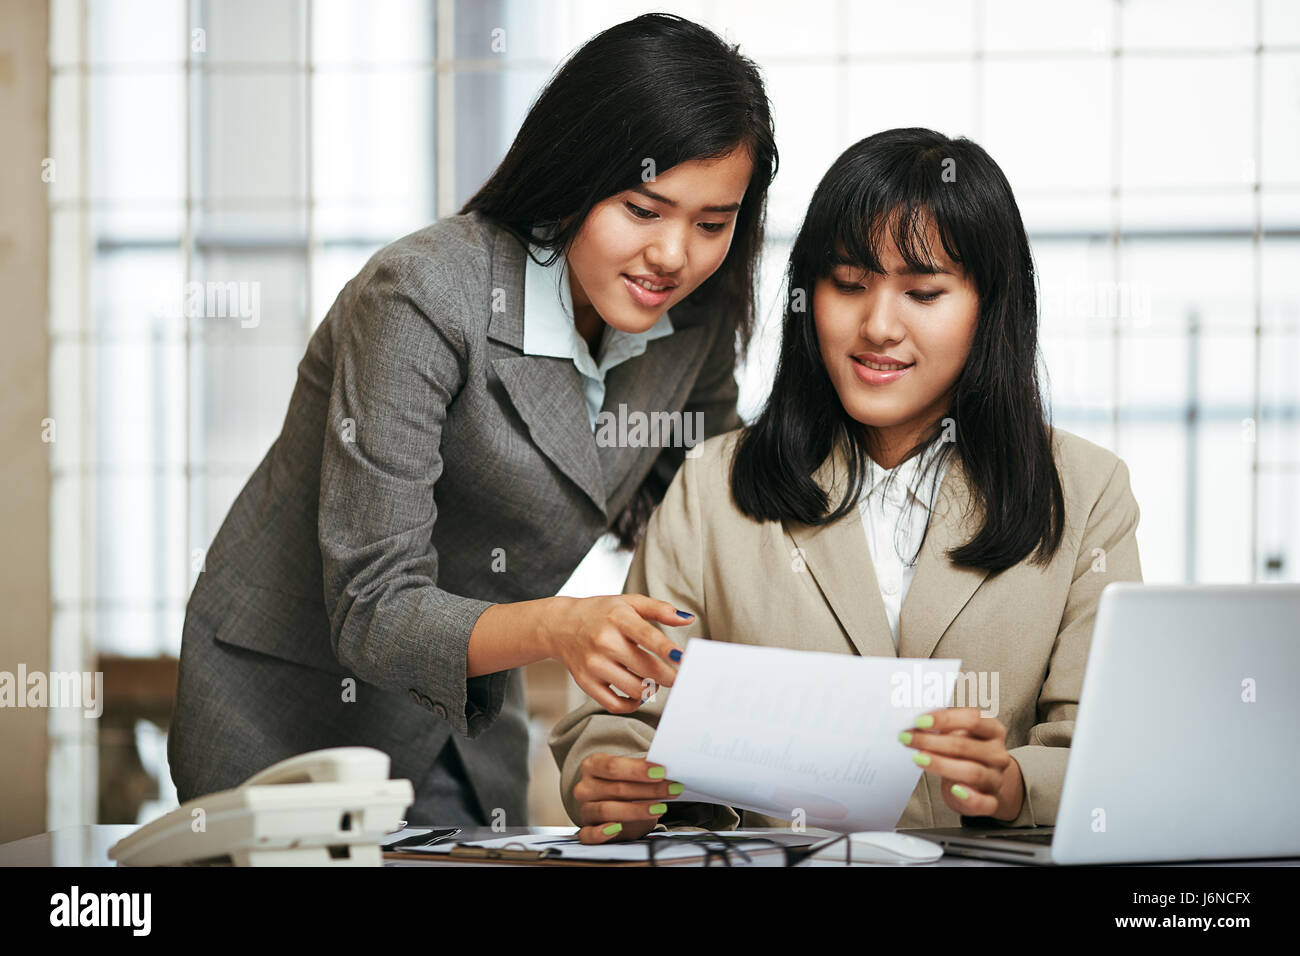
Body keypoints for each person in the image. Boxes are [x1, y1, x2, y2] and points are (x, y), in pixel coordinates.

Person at [168, 13, 777, 827]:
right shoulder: (421, 295)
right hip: (292, 703)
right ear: (574, 172)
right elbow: (374, 605)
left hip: (468, 718)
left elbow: (719, 514)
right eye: (643, 208)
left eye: (712, 223)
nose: (674, 255)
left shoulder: (692, 320)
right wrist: (564, 627)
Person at [550, 127, 1143, 843]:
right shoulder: (712, 485)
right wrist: (610, 777)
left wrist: (1015, 784)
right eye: (850, 285)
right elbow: (626, 715)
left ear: (991, 308)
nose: (879, 327)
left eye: (923, 292)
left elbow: (1106, 745)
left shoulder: (1085, 490)